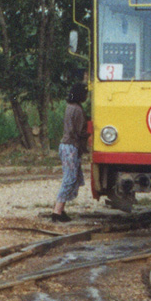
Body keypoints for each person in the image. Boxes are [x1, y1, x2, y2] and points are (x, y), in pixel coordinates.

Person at [52, 82, 90, 222]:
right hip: (71, 147)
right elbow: (80, 131)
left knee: (71, 177)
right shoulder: (78, 110)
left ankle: (60, 210)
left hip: (65, 146)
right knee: (70, 179)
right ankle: (57, 211)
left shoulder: (69, 107)